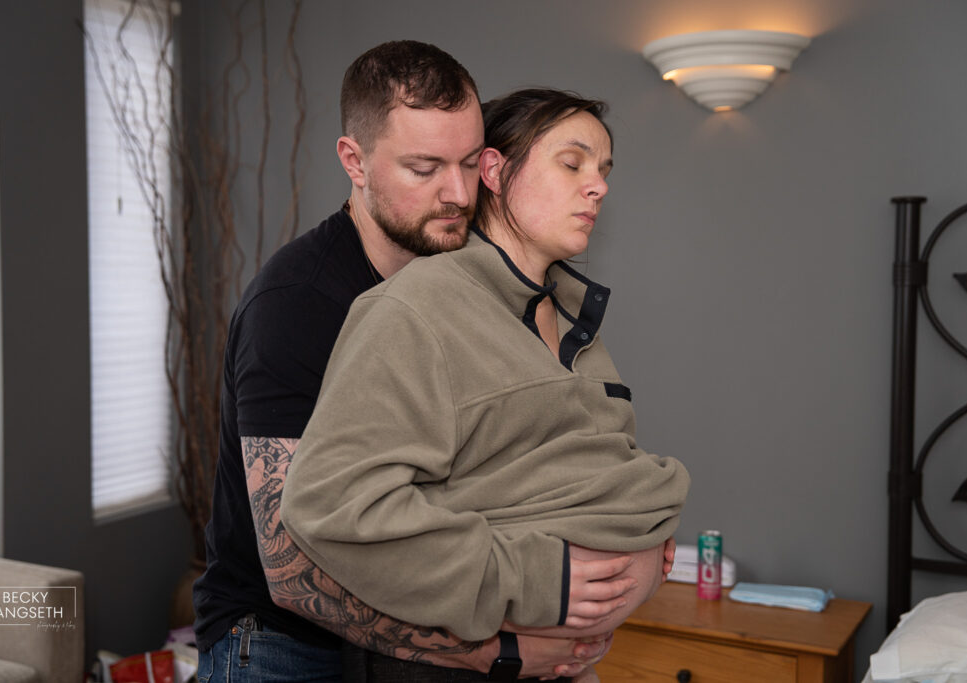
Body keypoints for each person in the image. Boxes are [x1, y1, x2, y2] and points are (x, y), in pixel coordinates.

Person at [192, 43, 641, 683]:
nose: (456, 193)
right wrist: (496, 651)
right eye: (425, 168)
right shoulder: (294, 305)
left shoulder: (462, 286)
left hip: (400, 643)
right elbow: (293, 566)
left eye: (466, 163)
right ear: (355, 161)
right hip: (279, 644)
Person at [281, 88, 692, 681]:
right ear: (496, 172)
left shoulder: (575, 320)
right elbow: (331, 506)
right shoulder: (414, 310)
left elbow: (563, 465)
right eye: (572, 163)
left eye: (603, 170)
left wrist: (643, 521)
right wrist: (531, 580)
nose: (598, 185)